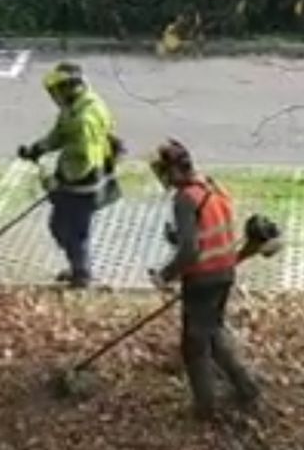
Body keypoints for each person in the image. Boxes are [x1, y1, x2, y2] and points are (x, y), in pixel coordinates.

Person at [148, 139, 261, 420]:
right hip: (225, 272)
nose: (162, 179)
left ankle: (205, 408)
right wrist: (180, 237)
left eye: (162, 172)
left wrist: (165, 275)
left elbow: (190, 251)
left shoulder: (184, 199)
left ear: (172, 172)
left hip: (202, 280)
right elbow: (210, 231)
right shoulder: (211, 187)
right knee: (213, 332)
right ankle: (246, 388)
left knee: (194, 345)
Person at [18, 62, 123, 289]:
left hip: (83, 183)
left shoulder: (84, 118)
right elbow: (61, 133)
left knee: (73, 230)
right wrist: (38, 148)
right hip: (80, 178)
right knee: (60, 226)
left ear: (68, 88)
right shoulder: (79, 104)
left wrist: (59, 182)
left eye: (56, 91)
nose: (53, 96)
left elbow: (83, 158)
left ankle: (82, 275)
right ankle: (78, 266)